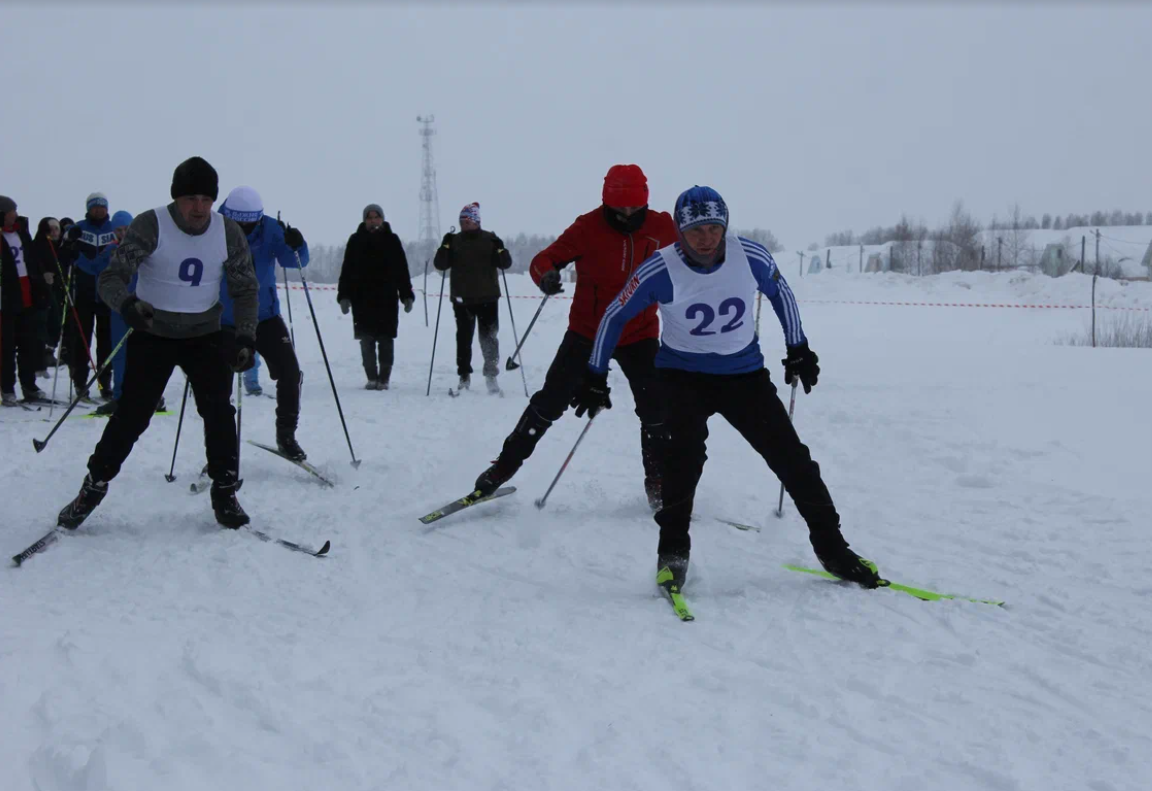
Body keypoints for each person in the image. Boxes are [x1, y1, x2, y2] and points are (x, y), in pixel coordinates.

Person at [575, 185, 882, 596]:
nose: (706, 238)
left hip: (744, 378)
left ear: (725, 226)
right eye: (696, 229)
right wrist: (595, 373)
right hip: (682, 378)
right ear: (680, 231)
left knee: (795, 463)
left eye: (714, 228)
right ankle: (672, 557)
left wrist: (798, 348)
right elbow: (615, 314)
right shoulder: (659, 269)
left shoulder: (749, 255)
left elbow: (781, 293)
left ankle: (834, 551)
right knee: (681, 467)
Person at [57, 156, 260, 531]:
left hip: (205, 335)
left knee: (218, 412)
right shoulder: (150, 225)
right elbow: (111, 278)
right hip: (155, 334)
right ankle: (93, 486)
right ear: (176, 198)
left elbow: (245, 288)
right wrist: (128, 305)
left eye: (205, 199)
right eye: (190, 199)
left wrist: (246, 334)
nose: (198, 208)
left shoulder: (228, 232)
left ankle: (225, 490)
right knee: (132, 415)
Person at [471, 164, 678, 508]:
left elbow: (697, 253)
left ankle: (659, 483)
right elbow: (543, 260)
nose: (627, 215)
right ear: (606, 202)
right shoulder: (588, 227)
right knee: (551, 401)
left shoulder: (662, 227)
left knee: (656, 407)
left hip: (638, 334)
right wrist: (547, 276)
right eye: (619, 208)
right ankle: (501, 470)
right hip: (587, 330)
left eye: (634, 208)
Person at [216, 185, 310, 459]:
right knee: (218, 384)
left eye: (250, 222)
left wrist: (297, 243)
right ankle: (221, 447)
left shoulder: (270, 229)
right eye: (239, 222)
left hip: (265, 315)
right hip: (225, 319)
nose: (245, 227)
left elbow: (296, 261)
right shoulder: (212, 228)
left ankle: (286, 436)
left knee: (291, 373)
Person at [433, 202, 513, 394]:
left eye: (468, 220)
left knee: (489, 338)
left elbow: (505, 264)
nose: (465, 224)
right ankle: (464, 376)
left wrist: (501, 248)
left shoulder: (490, 239)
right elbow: (440, 264)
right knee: (463, 339)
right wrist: (444, 246)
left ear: (477, 221)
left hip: (488, 297)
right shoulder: (454, 241)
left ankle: (491, 375)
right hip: (462, 299)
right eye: (462, 221)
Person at [337, 204, 414, 390]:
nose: (373, 221)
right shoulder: (355, 240)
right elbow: (346, 270)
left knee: (386, 339)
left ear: (382, 218)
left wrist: (406, 295)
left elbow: (402, 270)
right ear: (365, 220)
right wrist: (344, 296)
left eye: (376, 217)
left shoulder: (392, 240)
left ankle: (384, 378)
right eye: (369, 218)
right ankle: (371, 377)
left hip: (386, 298)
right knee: (366, 340)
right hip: (362, 299)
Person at [1, 196, 51, 405]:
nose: (15, 214)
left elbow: (32, 259)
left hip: (27, 296)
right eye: (12, 211)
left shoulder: (22, 232)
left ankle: (29, 386)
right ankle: (7, 388)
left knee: (28, 345)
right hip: (5, 300)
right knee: (6, 347)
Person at [64, 193, 115, 401]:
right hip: (83, 294)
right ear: (89, 209)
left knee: (106, 342)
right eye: (95, 207)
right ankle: (79, 382)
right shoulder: (80, 227)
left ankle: (104, 383)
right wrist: (70, 241)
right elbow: (64, 242)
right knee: (81, 340)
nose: (99, 210)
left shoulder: (112, 229)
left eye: (102, 207)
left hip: (105, 295)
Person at [31, 217, 63, 373]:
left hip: (58, 290)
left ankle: (50, 352)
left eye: (57, 228)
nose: (54, 232)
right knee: (42, 324)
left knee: (55, 323)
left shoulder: (61, 246)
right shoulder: (37, 246)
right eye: (51, 229)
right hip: (40, 293)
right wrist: (42, 276)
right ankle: (39, 359)